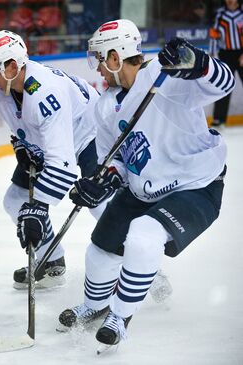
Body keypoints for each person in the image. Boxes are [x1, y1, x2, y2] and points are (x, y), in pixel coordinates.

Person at [58, 19, 232, 351]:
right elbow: (118, 159)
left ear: (114, 57)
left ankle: (120, 318)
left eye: (97, 58)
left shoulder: (165, 78)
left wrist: (200, 63)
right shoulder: (104, 105)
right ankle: (95, 306)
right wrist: (106, 180)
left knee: (143, 235)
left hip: (195, 185)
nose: (96, 68)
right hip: (142, 188)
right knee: (100, 249)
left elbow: (223, 84)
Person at [0, 30, 101, 290]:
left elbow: (63, 162)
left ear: (12, 66)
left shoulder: (46, 92)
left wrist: (39, 207)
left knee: (101, 204)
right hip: (51, 138)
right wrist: (21, 145)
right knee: (15, 200)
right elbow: (19, 121)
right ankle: (51, 261)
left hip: (91, 133)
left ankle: (146, 269)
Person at [209, 0, 243, 127]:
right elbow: (214, 35)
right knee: (224, 86)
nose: (229, 1)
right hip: (226, 55)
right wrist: (212, 54)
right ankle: (219, 119)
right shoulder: (220, 15)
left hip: (241, 54)